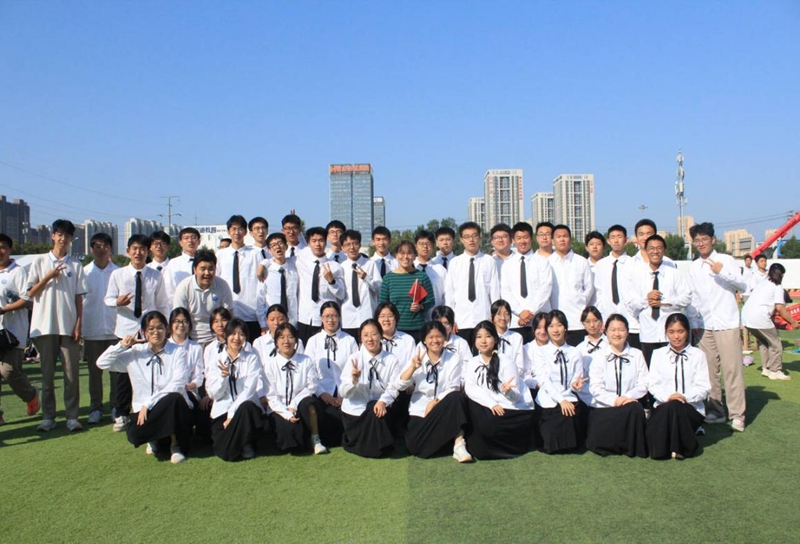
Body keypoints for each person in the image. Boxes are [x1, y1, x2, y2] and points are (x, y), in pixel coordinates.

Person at [96, 311, 192, 464]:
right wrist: (122, 346)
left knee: (173, 398)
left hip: (168, 406)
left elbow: (178, 384)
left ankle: (175, 446)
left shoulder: (178, 351)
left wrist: (148, 403)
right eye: (151, 329)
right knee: (134, 435)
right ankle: (154, 439)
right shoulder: (135, 353)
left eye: (160, 328)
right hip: (143, 412)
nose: (156, 332)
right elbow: (102, 363)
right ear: (144, 332)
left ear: (167, 329)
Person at [26, 219, 87, 432]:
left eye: (67, 236)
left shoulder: (76, 265)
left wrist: (78, 324)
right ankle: (48, 417)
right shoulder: (39, 261)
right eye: (59, 234)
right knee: (47, 375)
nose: (63, 239)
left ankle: (72, 417)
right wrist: (48, 277)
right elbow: (30, 293)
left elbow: (79, 298)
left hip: (68, 326)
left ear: (71, 239)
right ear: (53, 235)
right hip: (44, 326)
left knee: (71, 375)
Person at [105, 234, 170, 431]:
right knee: (122, 374)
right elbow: (107, 299)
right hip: (126, 330)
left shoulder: (155, 275)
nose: (138, 252)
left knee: (149, 371)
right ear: (128, 251)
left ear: (147, 251)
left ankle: (150, 409)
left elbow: (162, 304)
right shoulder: (118, 274)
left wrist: (163, 328)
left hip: (149, 331)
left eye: (142, 249)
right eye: (134, 248)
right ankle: (121, 413)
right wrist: (117, 302)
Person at [687, 222, 748, 431]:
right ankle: (715, 410)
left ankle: (737, 414)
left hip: (726, 322)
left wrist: (722, 272)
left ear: (713, 240)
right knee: (709, 370)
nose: (701, 243)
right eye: (697, 240)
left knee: (732, 369)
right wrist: (694, 322)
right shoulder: (694, 266)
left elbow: (743, 285)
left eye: (704, 239)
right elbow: (693, 297)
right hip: (704, 325)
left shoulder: (726, 260)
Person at [397, 321, 471, 461]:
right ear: (424, 340)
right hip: (420, 410)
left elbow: (453, 387)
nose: (435, 340)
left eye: (439, 336)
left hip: (444, 407)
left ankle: (459, 443)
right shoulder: (418, 358)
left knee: (457, 397)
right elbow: (400, 385)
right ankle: (446, 441)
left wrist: (435, 402)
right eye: (431, 337)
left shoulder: (453, 358)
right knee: (415, 447)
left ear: (444, 338)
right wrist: (413, 368)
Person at [464, 321, 534, 459]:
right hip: (491, 406)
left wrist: (508, 391)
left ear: (495, 339)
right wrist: (492, 404)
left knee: (489, 424)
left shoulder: (506, 361)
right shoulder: (473, 362)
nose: (483, 341)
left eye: (488, 336)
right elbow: (470, 387)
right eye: (479, 337)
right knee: (470, 406)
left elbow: (516, 397)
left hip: (512, 409)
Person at [648, 313, 711, 459]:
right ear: (666, 333)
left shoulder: (698, 355)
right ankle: (674, 446)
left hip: (691, 408)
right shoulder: (658, 354)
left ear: (687, 332)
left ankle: (681, 447)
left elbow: (704, 387)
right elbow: (653, 384)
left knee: (676, 406)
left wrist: (684, 397)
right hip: (664, 407)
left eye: (680, 331)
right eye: (671, 332)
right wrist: (668, 397)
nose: (676, 336)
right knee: (672, 406)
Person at [585, 314, 648, 458]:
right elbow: (595, 387)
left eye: (621, 330)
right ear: (605, 331)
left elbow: (644, 383)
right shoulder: (599, 356)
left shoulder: (637, 354)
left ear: (627, 332)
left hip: (629, 406)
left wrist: (627, 397)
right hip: (605, 407)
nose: (617, 334)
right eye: (612, 330)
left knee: (635, 408)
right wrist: (614, 400)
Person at [339, 318, 402, 458]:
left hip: (379, 410)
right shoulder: (354, 358)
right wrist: (354, 381)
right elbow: (343, 392)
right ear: (361, 338)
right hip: (356, 412)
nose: (370, 339)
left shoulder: (392, 359)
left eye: (374, 334)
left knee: (376, 407)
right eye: (365, 335)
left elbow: (394, 387)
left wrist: (383, 401)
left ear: (381, 335)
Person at [205, 318, 265, 461]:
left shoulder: (252, 358)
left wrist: (232, 413)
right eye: (233, 333)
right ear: (226, 335)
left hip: (245, 410)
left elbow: (250, 390)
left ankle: (246, 443)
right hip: (222, 410)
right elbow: (213, 394)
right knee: (225, 452)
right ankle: (238, 443)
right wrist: (223, 377)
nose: (237, 338)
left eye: (241, 334)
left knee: (246, 407)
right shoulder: (216, 360)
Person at [263, 323, 329, 454]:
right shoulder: (270, 365)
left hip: (300, 405)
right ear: (276, 342)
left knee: (309, 403)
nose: (286, 341)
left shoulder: (306, 360)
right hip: (279, 408)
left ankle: (315, 440)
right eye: (282, 337)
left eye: (290, 337)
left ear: (296, 340)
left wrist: (294, 404)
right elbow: (270, 395)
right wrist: (286, 413)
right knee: (290, 439)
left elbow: (312, 386)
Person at [627, 235, 691, 365]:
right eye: (651, 248)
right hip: (648, 333)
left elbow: (687, 298)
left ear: (664, 250)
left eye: (659, 248)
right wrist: (647, 299)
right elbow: (631, 304)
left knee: (672, 368)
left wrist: (665, 302)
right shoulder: (637, 275)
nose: (655, 251)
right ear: (646, 250)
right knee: (650, 370)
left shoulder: (674, 274)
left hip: (670, 334)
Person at [304, 301, 358, 447]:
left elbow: (354, 369)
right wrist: (321, 393)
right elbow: (308, 372)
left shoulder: (349, 340)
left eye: (334, 315)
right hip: (321, 392)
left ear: (339, 317)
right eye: (327, 316)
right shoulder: (313, 341)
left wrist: (344, 395)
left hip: (345, 393)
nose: (330, 319)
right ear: (321, 318)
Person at [0, 233, 39, 425]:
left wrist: (4, 309)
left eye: (2, 247)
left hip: (13, 332)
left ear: (10, 249)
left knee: (8, 371)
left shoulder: (18, 272)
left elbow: (27, 299)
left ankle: (31, 394)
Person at [533, 310, 584, 454]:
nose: (555, 330)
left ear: (565, 328)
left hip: (569, 398)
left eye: (559, 325)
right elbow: (544, 380)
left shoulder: (575, 352)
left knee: (570, 421)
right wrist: (561, 400)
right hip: (548, 400)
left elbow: (576, 378)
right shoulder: (540, 352)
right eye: (551, 326)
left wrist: (576, 386)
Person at [81, 232, 119, 425]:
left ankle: (116, 407)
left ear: (110, 248)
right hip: (92, 328)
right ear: (91, 249)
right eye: (97, 246)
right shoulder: (84, 272)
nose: (101, 249)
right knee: (94, 372)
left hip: (115, 328)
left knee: (116, 372)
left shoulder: (118, 272)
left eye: (105, 246)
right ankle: (96, 408)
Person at [445, 222, 500, 347]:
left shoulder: (489, 261)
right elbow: (450, 293)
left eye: (474, 236)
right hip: (460, 321)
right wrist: (450, 320)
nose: (471, 240)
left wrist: (494, 317)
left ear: (480, 237)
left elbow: (494, 291)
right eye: (467, 236)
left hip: (483, 318)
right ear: (461, 240)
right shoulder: (455, 263)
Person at [742, 263, 799, 381]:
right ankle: (775, 371)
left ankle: (766, 368)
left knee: (765, 342)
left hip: (746, 317)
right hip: (760, 318)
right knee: (776, 343)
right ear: (782, 275)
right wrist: (792, 322)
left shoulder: (763, 283)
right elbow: (780, 308)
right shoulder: (777, 286)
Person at [501, 222, 553, 344]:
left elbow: (545, 288)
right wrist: (520, 312)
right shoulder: (507, 264)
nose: (522, 241)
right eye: (519, 238)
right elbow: (505, 292)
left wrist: (530, 311)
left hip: (539, 320)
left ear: (531, 238)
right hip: (516, 320)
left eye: (525, 237)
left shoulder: (542, 262)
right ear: (513, 240)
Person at [593, 224, 640, 349]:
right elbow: (599, 293)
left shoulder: (634, 263)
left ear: (626, 240)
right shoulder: (601, 265)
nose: (616, 240)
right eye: (613, 237)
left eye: (619, 237)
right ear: (608, 241)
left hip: (631, 320)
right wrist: (601, 317)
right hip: (608, 319)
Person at [295, 226, 345, 342]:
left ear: (326, 242)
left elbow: (341, 295)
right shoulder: (300, 261)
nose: (318, 244)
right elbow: (281, 261)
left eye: (321, 240)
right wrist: (264, 263)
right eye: (314, 241)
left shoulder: (335, 266)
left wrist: (332, 281)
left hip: (325, 320)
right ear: (308, 243)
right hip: (305, 318)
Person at [172, 250, 233, 346]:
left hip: (216, 340)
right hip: (190, 339)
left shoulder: (222, 285)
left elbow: (229, 314)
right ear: (195, 269)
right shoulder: (184, 287)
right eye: (203, 269)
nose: (207, 273)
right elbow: (178, 317)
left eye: (211, 269)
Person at [216, 215, 261, 341]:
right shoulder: (220, 255)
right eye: (234, 229)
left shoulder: (255, 254)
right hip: (228, 312)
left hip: (251, 313)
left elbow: (262, 283)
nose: (237, 232)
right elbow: (217, 282)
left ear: (245, 232)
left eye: (240, 229)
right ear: (228, 232)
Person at [548, 224, 595, 346]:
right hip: (554, 322)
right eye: (558, 237)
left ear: (570, 239)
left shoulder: (581, 261)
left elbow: (589, 288)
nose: (562, 239)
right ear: (552, 240)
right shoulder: (547, 263)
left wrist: (580, 301)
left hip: (577, 321)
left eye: (565, 236)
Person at [379, 240, 434, 341]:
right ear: (396, 255)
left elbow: (431, 301)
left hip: (417, 329)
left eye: (409, 253)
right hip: (394, 330)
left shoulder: (422, 277)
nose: (405, 257)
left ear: (414, 255)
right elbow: (382, 304)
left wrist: (420, 307)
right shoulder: (388, 278)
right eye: (402, 253)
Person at [168, 307, 209, 442]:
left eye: (185, 321)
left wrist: (190, 385)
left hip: (189, 391)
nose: (181, 325)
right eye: (177, 321)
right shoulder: (165, 346)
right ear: (171, 324)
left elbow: (199, 375)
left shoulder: (195, 347)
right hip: (167, 391)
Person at [340, 229, 382, 337]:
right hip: (347, 318)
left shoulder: (370, 264)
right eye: (348, 244)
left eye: (355, 243)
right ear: (343, 248)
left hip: (367, 315)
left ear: (359, 245)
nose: (352, 247)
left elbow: (379, 289)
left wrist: (366, 278)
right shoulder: (341, 267)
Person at [257, 232, 299, 328]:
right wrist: (263, 324)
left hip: (293, 320)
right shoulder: (266, 271)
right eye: (273, 245)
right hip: (273, 322)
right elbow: (260, 298)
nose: (277, 247)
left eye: (280, 243)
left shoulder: (294, 265)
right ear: (269, 250)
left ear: (286, 246)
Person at [414, 230, 447, 320]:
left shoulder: (440, 270)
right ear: (415, 246)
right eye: (421, 244)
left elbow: (446, 296)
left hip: (435, 318)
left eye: (428, 244)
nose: (425, 247)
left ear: (433, 246)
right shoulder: (409, 268)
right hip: (414, 320)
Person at [163, 227, 201, 300]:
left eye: (193, 237)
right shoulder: (173, 263)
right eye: (186, 238)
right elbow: (169, 288)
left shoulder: (206, 261)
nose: (190, 241)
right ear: (180, 242)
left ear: (199, 241)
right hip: (181, 302)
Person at [491, 299, 524, 376]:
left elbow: (520, 366)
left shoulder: (517, 337)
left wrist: (509, 377)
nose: (503, 318)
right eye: (499, 314)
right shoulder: (488, 336)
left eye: (506, 314)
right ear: (492, 316)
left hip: (513, 378)